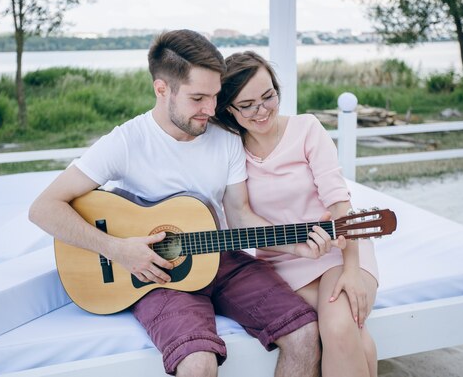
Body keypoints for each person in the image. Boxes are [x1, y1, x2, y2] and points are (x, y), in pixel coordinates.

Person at [29, 30, 329, 377]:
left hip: (222, 259)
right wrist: (118, 249)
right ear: (162, 89)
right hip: (156, 276)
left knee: (306, 333)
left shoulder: (226, 139)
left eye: (215, 96)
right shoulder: (126, 142)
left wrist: (296, 246)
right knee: (197, 362)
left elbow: (240, 215)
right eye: (197, 98)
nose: (211, 109)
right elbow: (43, 208)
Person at [214, 51, 380, 377]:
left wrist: (351, 270)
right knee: (349, 332)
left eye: (268, 96)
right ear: (229, 109)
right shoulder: (231, 151)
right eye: (246, 105)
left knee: (338, 328)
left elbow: (339, 202)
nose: (262, 110)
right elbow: (239, 218)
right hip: (281, 262)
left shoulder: (306, 129)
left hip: (339, 250)